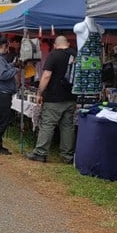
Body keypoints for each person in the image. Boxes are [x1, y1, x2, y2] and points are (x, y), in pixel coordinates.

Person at [26, 35, 77, 164]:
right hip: (71, 96)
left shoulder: (54, 55)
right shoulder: (76, 54)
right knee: (67, 126)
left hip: (54, 96)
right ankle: (68, 155)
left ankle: (40, 152)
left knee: (47, 125)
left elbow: (46, 75)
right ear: (68, 43)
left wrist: (39, 92)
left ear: (55, 45)